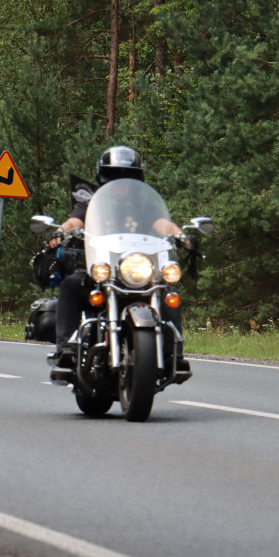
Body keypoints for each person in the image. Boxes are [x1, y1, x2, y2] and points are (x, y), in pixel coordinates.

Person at [47, 146, 194, 381]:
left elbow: (162, 224)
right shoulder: (93, 202)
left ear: (136, 180)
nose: (120, 182)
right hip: (101, 273)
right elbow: (75, 220)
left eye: (127, 177)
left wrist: (181, 236)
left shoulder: (144, 206)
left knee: (168, 292)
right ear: (103, 177)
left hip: (136, 272)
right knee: (71, 284)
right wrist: (59, 232)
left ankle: (173, 354)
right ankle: (66, 349)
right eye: (114, 176)